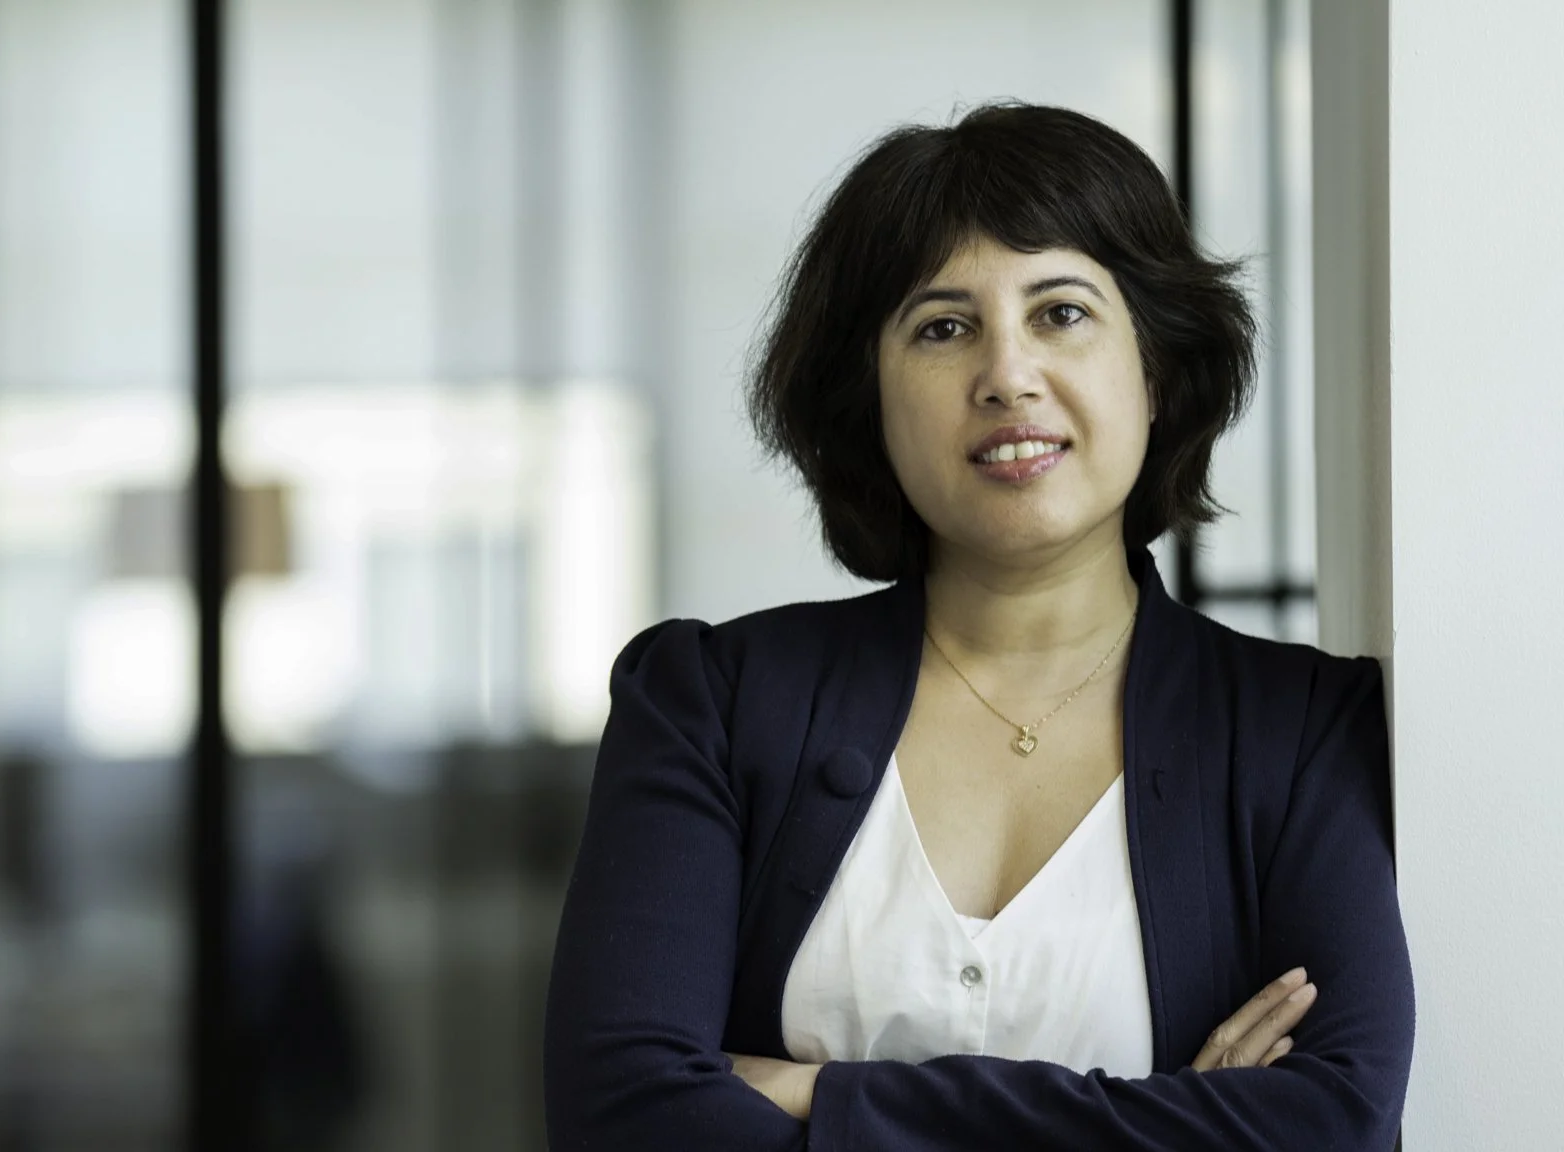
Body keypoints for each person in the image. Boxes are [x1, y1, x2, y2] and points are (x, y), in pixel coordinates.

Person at [542, 102, 1414, 1150]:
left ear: (1156, 371)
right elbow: (621, 1114)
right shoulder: (710, 705)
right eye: (944, 328)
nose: (1007, 375)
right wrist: (1182, 1118)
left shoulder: (1300, 729)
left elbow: (1333, 1124)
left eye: (1061, 313)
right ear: (870, 397)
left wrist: (818, 1095)